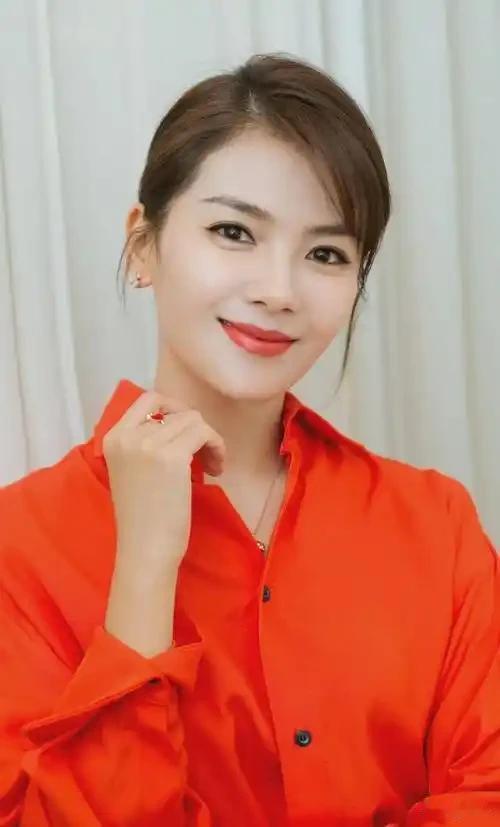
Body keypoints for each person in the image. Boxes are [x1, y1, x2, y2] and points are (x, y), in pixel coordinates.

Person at [0, 52, 499, 827]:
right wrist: (144, 572)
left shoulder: (436, 524)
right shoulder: (20, 548)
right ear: (143, 245)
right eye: (234, 231)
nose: (278, 289)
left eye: (326, 253)